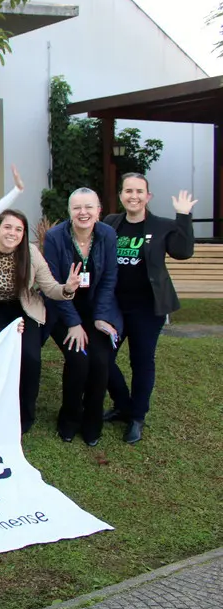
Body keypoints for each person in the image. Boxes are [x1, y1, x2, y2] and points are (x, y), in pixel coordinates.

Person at [0, 210, 81, 433]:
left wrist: (67, 289)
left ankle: (25, 414)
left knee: (30, 358)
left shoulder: (32, 253)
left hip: (25, 308)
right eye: (8, 227)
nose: (13, 233)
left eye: (19, 229)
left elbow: (50, 288)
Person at [103, 175, 197, 444]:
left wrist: (183, 215)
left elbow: (183, 251)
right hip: (115, 308)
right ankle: (123, 405)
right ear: (121, 195)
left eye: (139, 191)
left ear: (148, 196)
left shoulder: (160, 226)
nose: (134, 196)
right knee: (103, 357)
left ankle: (137, 417)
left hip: (148, 308)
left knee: (142, 362)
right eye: (128, 191)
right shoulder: (111, 223)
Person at [44, 188, 123, 447]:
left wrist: (100, 317)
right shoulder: (55, 237)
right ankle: (69, 418)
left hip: (95, 311)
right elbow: (53, 283)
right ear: (69, 211)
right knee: (78, 361)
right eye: (77, 207)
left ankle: (93, 421)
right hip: (62, 310)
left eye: (89, 207)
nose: (83, 213)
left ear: (99, 210)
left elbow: (109, 278)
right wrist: (73, 323)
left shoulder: (107, 235)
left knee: (101, 362)